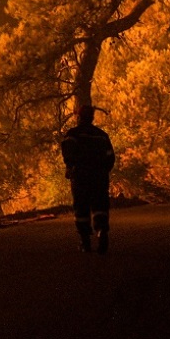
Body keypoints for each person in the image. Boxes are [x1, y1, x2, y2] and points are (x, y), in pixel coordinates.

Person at [61, 104, 116, 254]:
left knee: (81, 207)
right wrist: (104, 170)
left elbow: (67, 152)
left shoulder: (73, 134)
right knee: (100, 206)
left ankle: (85, 241)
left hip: (80, 177)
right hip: (99, 177)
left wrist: (71, 167)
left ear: (78, 117)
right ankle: (102, 232)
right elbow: (110, 156)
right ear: (92, 117)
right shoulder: (102, 135)